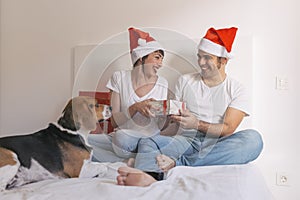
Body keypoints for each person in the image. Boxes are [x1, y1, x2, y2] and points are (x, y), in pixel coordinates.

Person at [116, 27, 264, 186]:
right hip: (185, 140)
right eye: (199, 57)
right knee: (149, 142)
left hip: (218, 144)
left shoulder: (237, 89)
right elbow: (172, 122)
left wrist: (197, 124)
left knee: (253, 140)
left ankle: (180, 163)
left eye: (207, 58)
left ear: (223, 60)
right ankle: (148, 175)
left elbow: (228, 127)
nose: (201, 63)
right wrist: (162, 113)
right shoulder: (185, 81)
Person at [88, 27, 168, 166]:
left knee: (123, 138)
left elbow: (161, 126)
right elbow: (114, 122)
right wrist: (135, 107)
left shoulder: (162, 83)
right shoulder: (119, 78)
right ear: (141, 58)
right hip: (121, 139)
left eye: (161, 59)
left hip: (147, 139)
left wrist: (166, 116)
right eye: (157, 58)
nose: (160, 64)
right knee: (81, 140)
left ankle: (126, 159)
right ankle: (127, 162)